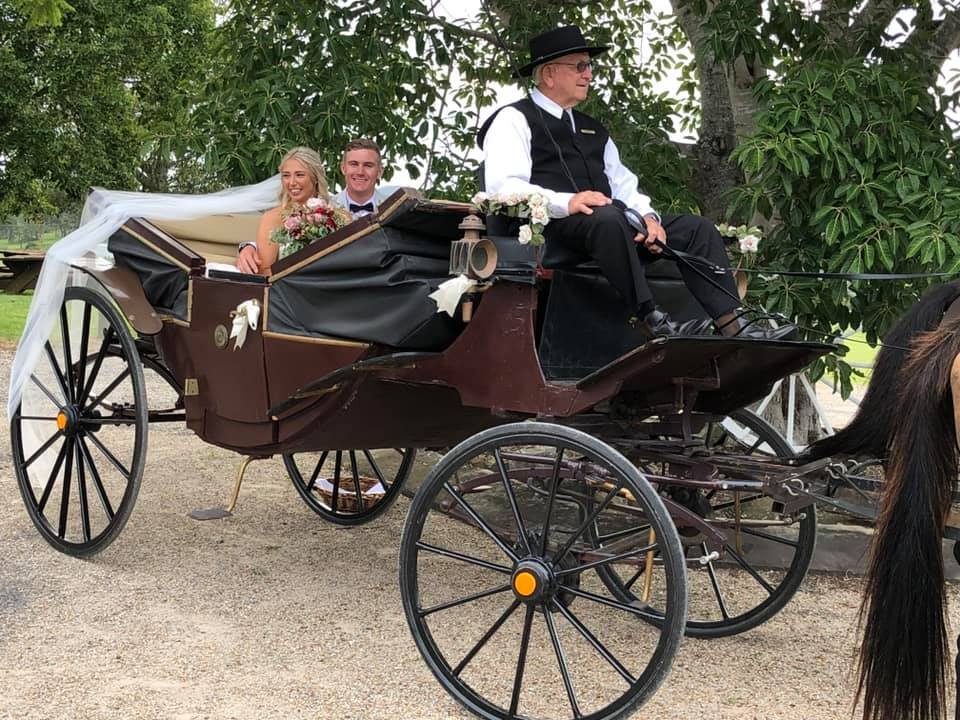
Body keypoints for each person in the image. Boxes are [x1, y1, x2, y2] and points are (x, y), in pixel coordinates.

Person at [479, 25, 795, 341]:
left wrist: (649, 219)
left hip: (610, 231)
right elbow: (503, 188)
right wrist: (567, 202)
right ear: (549, 74)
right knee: (607, 218)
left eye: (589, 66)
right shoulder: (513, 119)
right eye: (580, 66)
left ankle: (735, 326)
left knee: (697, 230)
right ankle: (651, 318)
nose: (589, 74)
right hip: (554, 234)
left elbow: (624, 185)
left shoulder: (594, 130)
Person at [237, 146, 333, 275]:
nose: (292, 182)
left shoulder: (337, 216)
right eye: (286, 176)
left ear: (315, 177)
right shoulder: (273, 218)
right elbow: (264, 271)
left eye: (299, 175)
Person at [331, 138, 396, 217]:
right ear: (343, 168)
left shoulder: (394, 207)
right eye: (354, 164)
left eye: (368, 165)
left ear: (380, 171)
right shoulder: (326, 207)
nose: (360, 172)